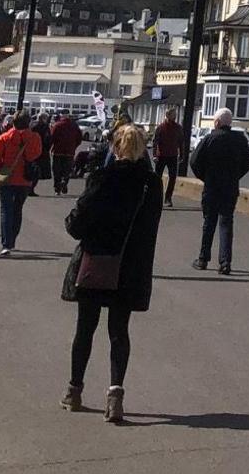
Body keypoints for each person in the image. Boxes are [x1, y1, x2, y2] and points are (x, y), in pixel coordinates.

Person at [61, 123, 162, 424]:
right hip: (129, 266)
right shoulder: (151, 184)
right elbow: (150, 229)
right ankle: (115, 395)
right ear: (143, 149)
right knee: (119, 333)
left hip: (97, 260)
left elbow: (75, 225)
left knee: (85, 329)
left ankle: (74, 389)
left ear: (115, 147)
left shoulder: (102, 178)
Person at [189, 109, 249, 275]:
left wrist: (205, 177)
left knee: (208, 222)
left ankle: (203, 259)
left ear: (217, 122)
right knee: (226, 223)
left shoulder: (209, 138)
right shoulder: (239, 140)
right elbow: (248, 162)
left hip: (211, 187)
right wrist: (235, 176)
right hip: (230, 187)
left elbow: (195, 161)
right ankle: (225, 262)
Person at [0, 111, 44, 256]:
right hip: (25, 179)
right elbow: (36, 154)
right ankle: (12, 239)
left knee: (6, 210)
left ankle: (6, 243)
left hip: (7, 178)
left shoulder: (5, 137)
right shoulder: (34, 138)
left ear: (13, 122)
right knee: (17, 209)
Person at [152, 109, 184, 204]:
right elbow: (155, 142)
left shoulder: (178, 128)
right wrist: (154, 155)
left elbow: (181, 142)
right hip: (161, 156)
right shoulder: (161, 127)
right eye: (173, 115)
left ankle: (168, 197)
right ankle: (156, 197)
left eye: (175, 115)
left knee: (172, 177)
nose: (175, 117)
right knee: (158, 178)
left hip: (173, 156)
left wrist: (182, 154)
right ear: (168, 115)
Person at [50, 114, 84, 195]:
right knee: (67, 170)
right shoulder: (75, 126)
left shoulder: (57, 125)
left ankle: (57, 188)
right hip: (70, 152)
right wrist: (74, 146)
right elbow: (79, 139)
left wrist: (52, 147)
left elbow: (52, 137)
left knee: (57, 170)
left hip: (58, 151)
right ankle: (64, 182)